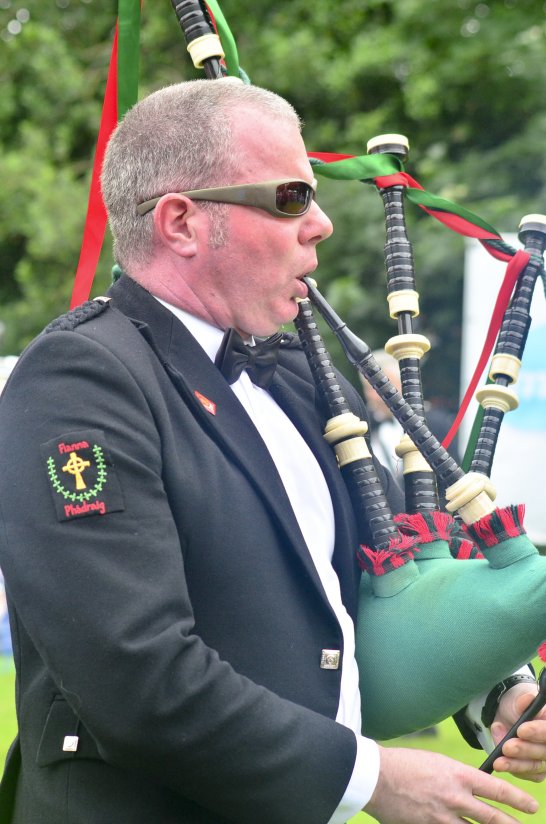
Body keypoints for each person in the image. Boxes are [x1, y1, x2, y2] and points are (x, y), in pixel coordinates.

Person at [0, 79, 545, 824]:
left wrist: (498, 690)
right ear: (182, 223)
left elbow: (393, 577)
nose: (321, 224)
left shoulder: (299, 376)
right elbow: (134, 673)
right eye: (291, 198)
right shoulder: (82, 380)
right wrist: (369, 778)